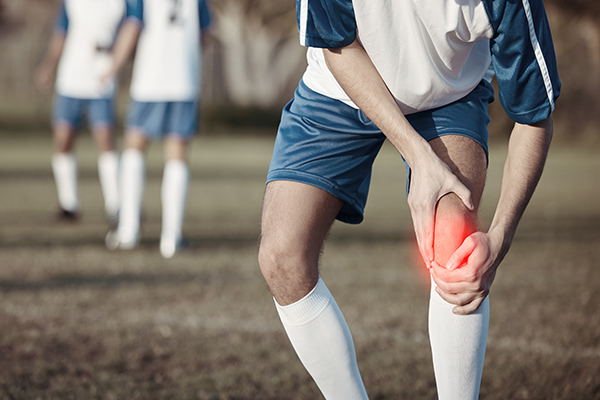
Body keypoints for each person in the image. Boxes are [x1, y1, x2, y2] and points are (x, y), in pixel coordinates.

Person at [258, 0, 560, 399]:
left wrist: (501, 235)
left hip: (447, 94)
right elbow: (339, 46)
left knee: (456, 248)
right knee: (281, 258)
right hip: (341, 85)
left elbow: (533, 116)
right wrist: (420, 157)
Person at [103, 0, 212, 258]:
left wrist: (112, 68)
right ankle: (171, 239)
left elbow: (132, 26)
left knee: (134, 148)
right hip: (185, 80)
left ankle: (128, 232)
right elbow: (204, 33)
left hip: (150, 80)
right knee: (177, 156)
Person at [35, 0, 133, 224]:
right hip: (70, 81)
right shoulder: (71, 2)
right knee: (62, 139)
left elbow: (131, 33)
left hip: (102, 81)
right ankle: (69, 203)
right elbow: (61, 34)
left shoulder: (121, 3)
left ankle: (115, 205)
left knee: (105, 140)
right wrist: (48, 66)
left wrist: (113, 52)